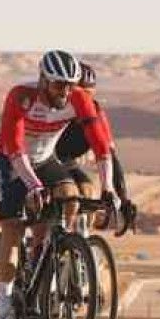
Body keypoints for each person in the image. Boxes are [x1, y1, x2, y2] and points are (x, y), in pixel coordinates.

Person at [0, 50, 116, 319]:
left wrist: (108, 187)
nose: (66, 91)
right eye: (60, 85)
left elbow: (101, 145)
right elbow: (15, 146)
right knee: (13, 229)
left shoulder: (77, 98)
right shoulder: (22, 96)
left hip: (45, 159)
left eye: (71, 85)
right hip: (12, 160)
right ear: (44, 80)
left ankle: (44, 252)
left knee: (70, 196)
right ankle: (5, 308)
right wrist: (33, 186)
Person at [55, 61, 134, 225]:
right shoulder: (57, 108)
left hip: (66, 160)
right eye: (80, 96)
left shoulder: (96, 114)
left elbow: (111, 156)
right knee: (69, 196)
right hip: (43, 158)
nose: (84, 103)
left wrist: (123, 198)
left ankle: (78, 243)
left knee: (88, 192)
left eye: (89, 97)